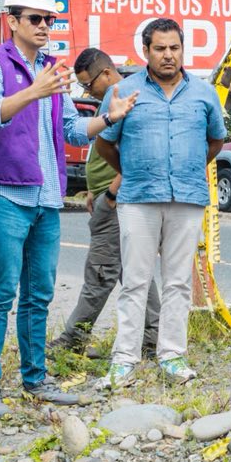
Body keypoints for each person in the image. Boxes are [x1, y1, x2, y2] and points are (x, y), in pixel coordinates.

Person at [0, 0, 127, 416]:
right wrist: (33, 91)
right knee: (1, 292)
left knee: (39, 294)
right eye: (35, 18)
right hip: (4, 193)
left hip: (47, 197)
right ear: (12, 20)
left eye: (49, 20)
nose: (43, 26)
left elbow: (72, 130)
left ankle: (35, 379)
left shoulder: (52, 68)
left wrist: (109, 118)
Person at [93, 18, 226, 386]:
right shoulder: (123, 91)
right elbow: (104, 143)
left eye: (174, 48)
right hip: (138, 197)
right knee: (135, 281)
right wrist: (133, 170)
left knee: (178, 281)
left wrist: (188, 168)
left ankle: (172, 355)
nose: (168, 55)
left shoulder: (203, 93)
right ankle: (124, 359)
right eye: (160, 48)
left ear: (182, 49)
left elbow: (215, 140)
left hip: (187, 196)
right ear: (146, 51)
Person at [52, 48, 160, 359]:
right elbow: (103, 149)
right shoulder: (113, 98)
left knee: (100, 271)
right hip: (107, 196)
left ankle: (73, 339)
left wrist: (111, 193)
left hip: (116, 200)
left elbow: (139, 151)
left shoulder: (125, 97)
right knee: (133, 271)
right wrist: (93, 189)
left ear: (107, 73)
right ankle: (153, 338)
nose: (87, 91)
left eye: (88, 84)